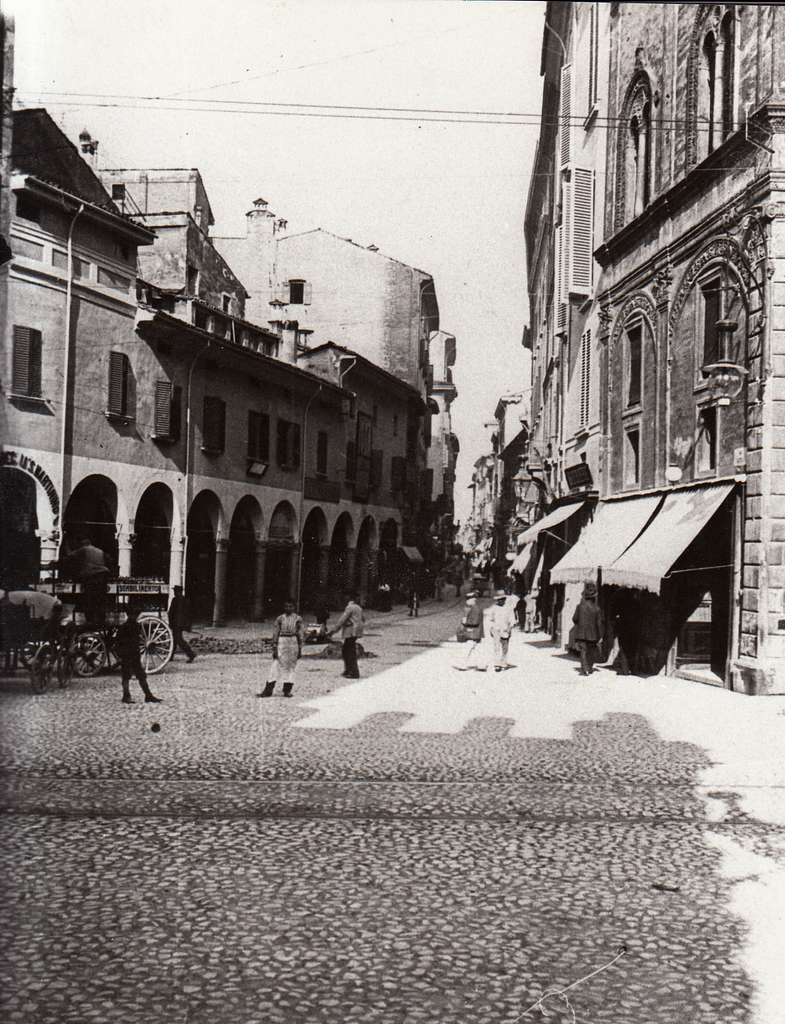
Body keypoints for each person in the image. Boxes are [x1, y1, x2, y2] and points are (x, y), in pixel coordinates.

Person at [259, 599, 304, 698]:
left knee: (291, 666)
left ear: (294, 607)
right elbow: (276, 633)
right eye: (286, 606)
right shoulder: (280, 618)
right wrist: (274, 647)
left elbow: (300, 633)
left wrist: (300, 648)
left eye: (290, 606)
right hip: (282, 640)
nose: (288, 608)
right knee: (276, 665)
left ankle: (287, 690)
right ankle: (268, 689)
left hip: (293, 641)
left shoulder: (298, 619)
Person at [116, 606, 161, 704]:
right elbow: (120, 642)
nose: (135, 617)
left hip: (132, 654)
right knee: (130, 676)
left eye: (135, 615)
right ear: (130, 615)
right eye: (134, 615)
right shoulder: (130, 627)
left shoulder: (130, 626)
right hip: (129, 654)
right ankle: (128, 696)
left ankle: (147, 695)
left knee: (136, 675)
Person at [65, 537, 110, 626]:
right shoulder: (99, 550)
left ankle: (90, 621)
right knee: (100, 599)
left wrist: (66, 544)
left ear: (83, 544)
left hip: (92, 576)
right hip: (103, 575)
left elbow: (70, 555)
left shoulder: (84, 549)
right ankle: (101, 621)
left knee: (89, 599)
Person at [327, 590, 364, 679]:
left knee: (349, 651)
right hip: (356, 631)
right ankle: (349, 670)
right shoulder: (358, 607)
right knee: (348, 650)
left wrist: (332, 631)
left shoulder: (350, 607)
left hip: (351, 631)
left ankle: (353, 672)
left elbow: (342, 620)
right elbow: (363, 619)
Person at [573, 581, 605, 676]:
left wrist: (580, 624)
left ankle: (585, 669)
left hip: (581, 633)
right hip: (593, 634)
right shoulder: (597, 609)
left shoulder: (579, 606)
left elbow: (574, 619)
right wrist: (601, 635)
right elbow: (599, 624)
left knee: (583, 650)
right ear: (594, 597)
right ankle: (589, 667)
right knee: (591, 651)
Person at [486, 589, 517, 671]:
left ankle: (503, 662)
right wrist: (491, 628)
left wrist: (509, 629)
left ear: (505, 599)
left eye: (502, 599)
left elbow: (512, 620)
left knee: (505, 647)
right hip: (496, 629)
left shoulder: (509, 608)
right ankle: (497, 664)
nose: (500, 601)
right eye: (499, 600)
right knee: (496, 647)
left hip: (505, 629)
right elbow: (491, 619)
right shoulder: (494, 608)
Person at [455, 590, 483, 670]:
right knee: (476, 649)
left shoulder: (475, 609)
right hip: (475, 632)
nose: (466, 602)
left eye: (467, 600)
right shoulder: (474, 608)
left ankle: (462, 665)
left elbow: (475, 622)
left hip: (473, 632)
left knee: (467, 649)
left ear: (472, 600)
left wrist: (465, 622)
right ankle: (481, 665)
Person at [167, 585, 196, 662]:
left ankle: (191, 654)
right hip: (180, 624)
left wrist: (170, 623)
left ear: (177, 591)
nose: (174, 592)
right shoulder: (185, 600)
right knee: (175, 640)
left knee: (179, 640)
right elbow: (189, 614)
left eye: (175, 591)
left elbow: (171, 613)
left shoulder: (175, 600)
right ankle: (170, 656)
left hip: (176, 624)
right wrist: (188, 625)